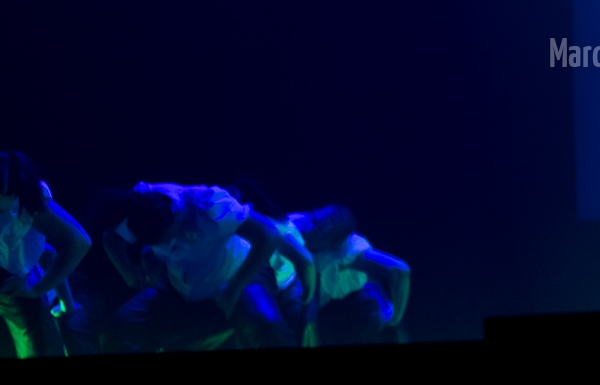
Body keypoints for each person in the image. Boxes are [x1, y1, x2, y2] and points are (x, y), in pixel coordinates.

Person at [99, 182, 314, 351]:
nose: (167, 244)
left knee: (265, 324)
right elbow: (111, 235)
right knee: (116, 332)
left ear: (174, 215)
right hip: (181, 285)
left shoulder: (209, 204)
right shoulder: (138, 205)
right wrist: (128, 271)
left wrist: (235, 287)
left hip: (237, 275)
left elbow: (269, 234)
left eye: (168, 237)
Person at [0, 152, 91, 358]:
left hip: (10, 282)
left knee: (37, 343)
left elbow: (77, 243)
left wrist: (38, 290)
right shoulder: (12, 199)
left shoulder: (27, 202)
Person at [292, 205, 410, 345]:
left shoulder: (350, 247)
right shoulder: (294, 223)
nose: (309, 229)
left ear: (334, 245)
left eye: (319, 233)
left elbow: (400, 270)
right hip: (314, 292)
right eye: (314, 221)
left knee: (382, 323)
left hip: (359, 289)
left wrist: (395, 319)